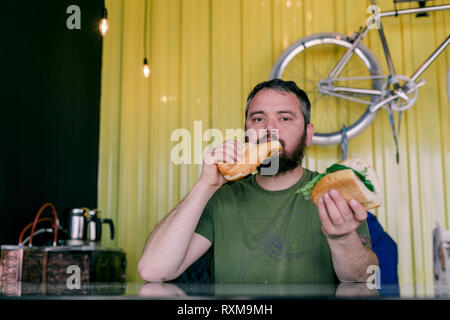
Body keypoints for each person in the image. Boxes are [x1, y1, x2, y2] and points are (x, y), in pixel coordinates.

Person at [138, 79, 379, 284]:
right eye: (258, 119)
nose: (269, 129)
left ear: (308, 134)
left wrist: (342, 238)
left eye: (285, 118)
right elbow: (152, 271)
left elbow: (365, 280)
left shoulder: (333, 191)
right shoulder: (221, 197)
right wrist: (205, 185)